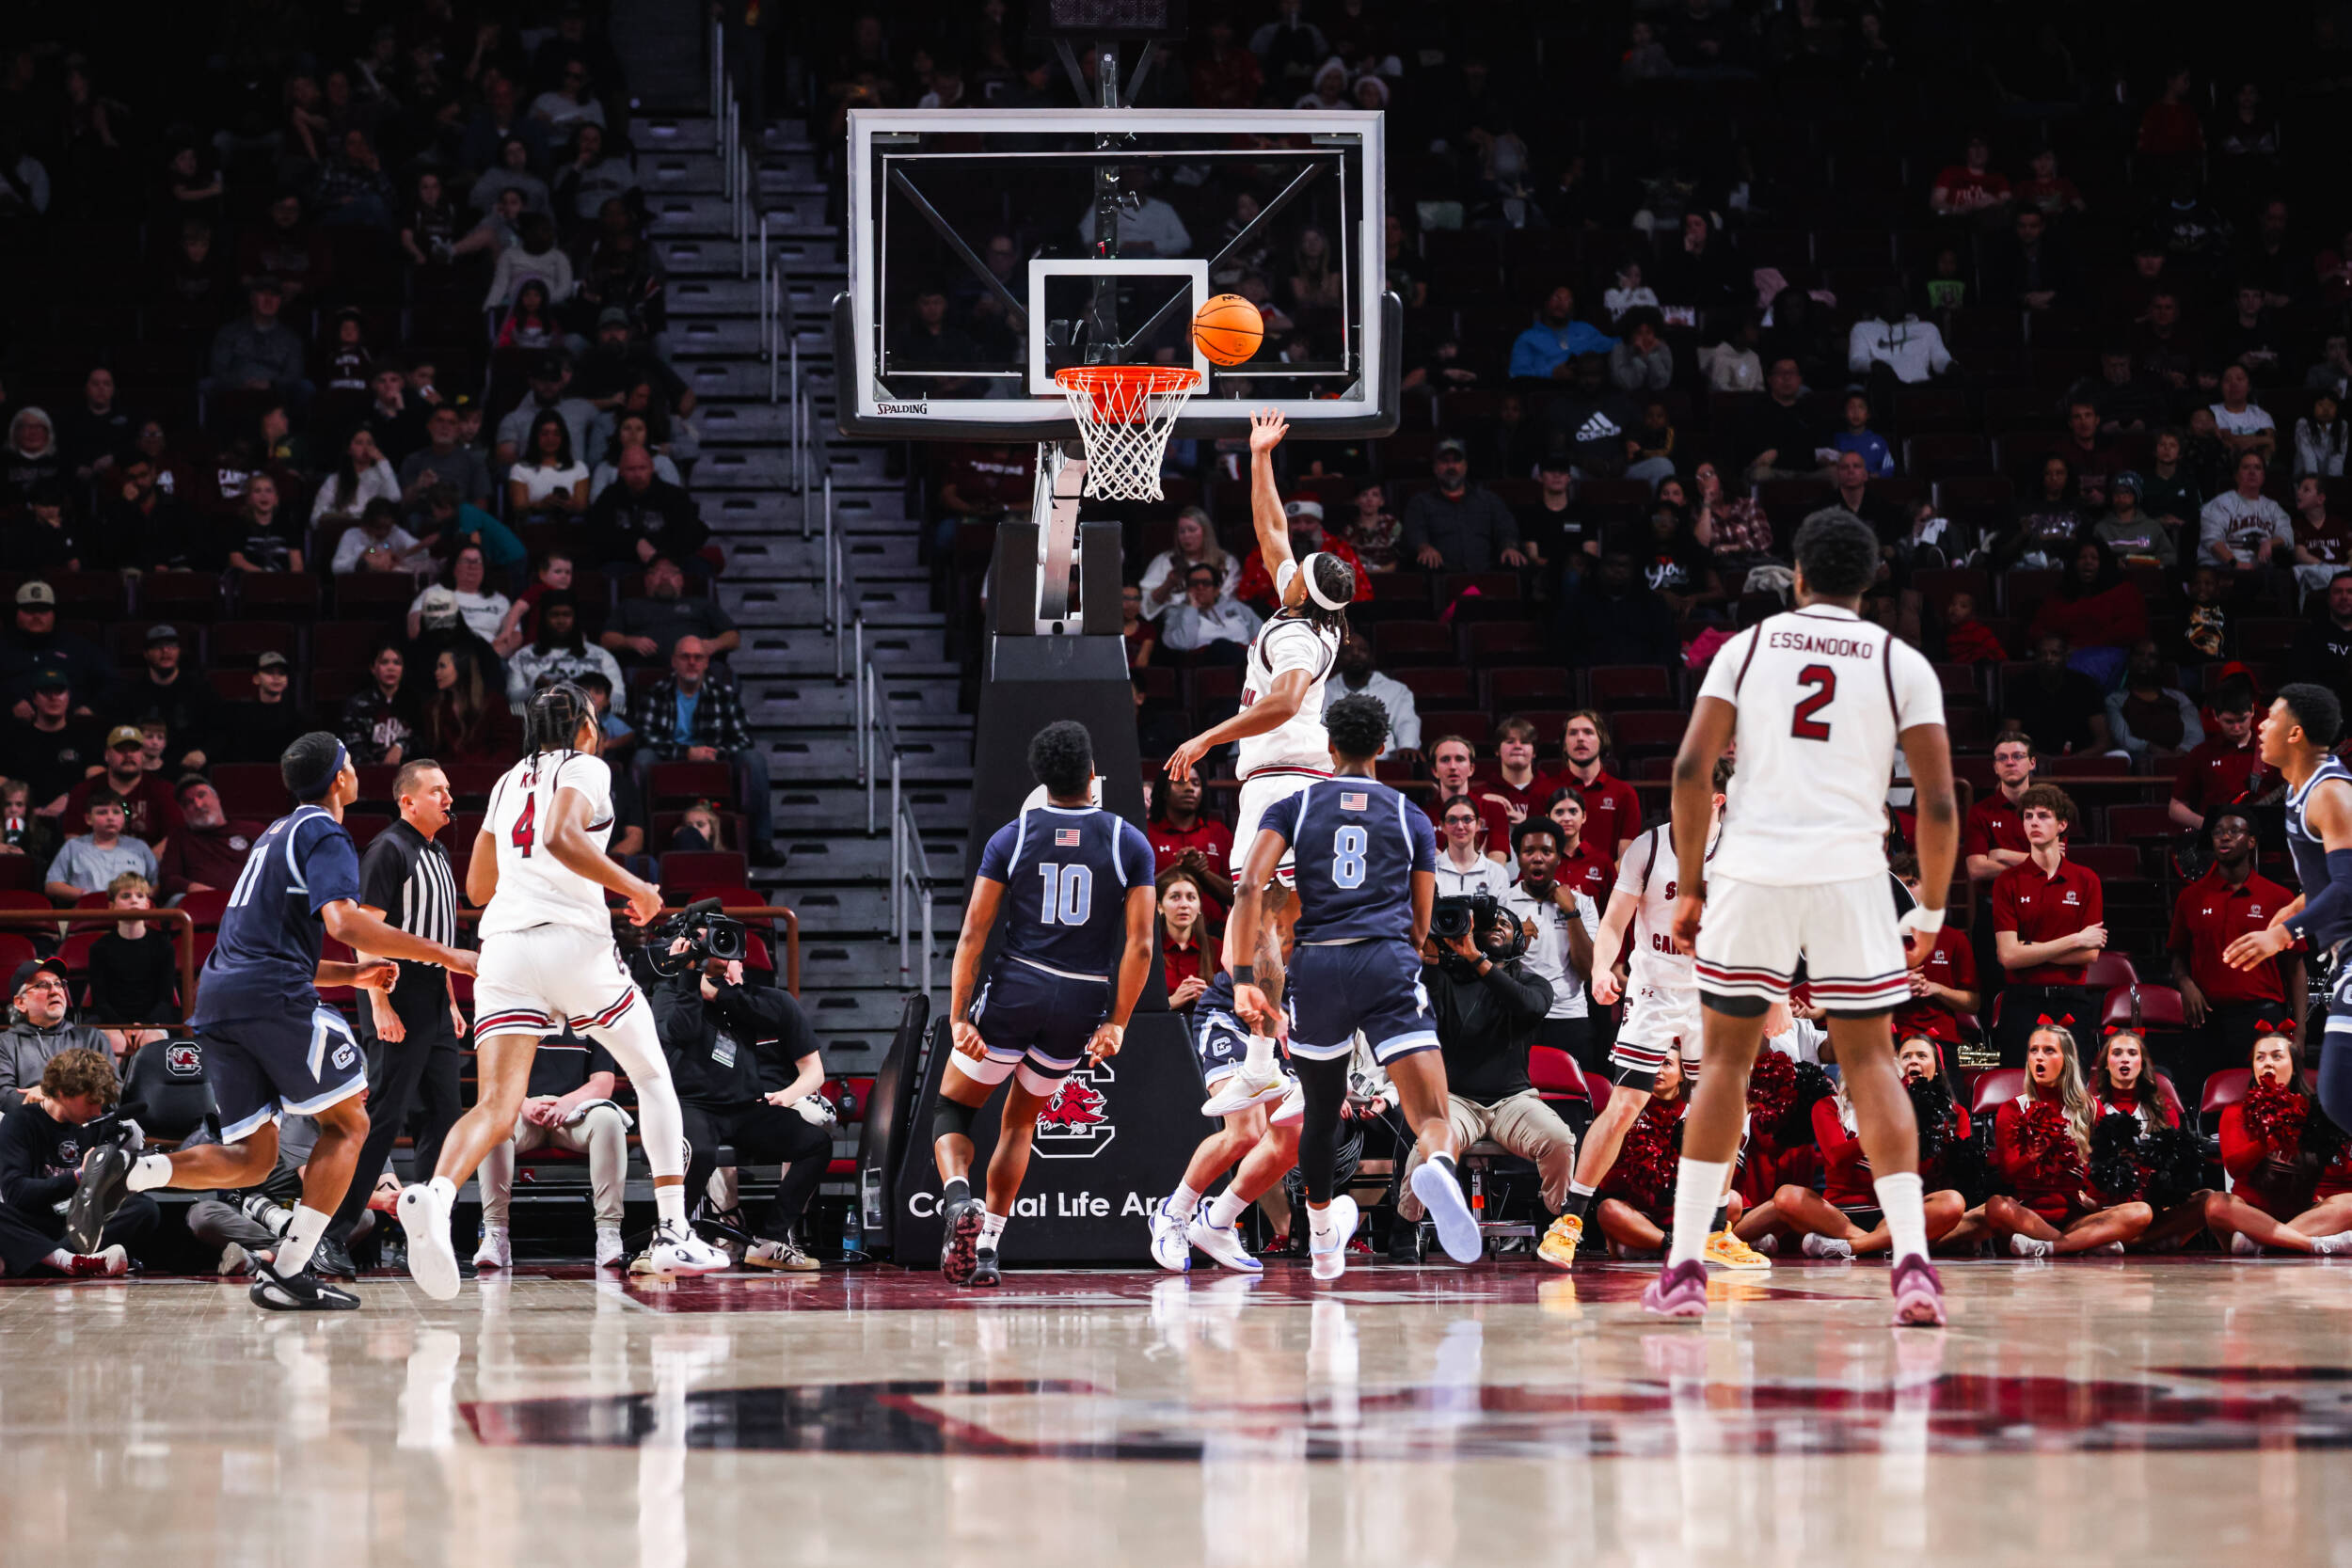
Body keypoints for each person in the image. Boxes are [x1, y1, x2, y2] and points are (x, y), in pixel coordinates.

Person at [1642, 511, 1958, 1326]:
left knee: (1723, 1066)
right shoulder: (1900, 660)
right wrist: (1928, 906)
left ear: (1798, 577)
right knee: (1873, 1064)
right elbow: (1937, 802)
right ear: (1870, 581)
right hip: (1851, 874)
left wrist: (1688, 885)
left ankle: (1685, 1265)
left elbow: (1690, 767)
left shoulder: (1746, 648)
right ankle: (1913, 1261)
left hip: (1753, 869)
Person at [64, 733, 476, 1310]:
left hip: (221, 997)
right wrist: (448, 955)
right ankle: (291, 1269)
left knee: (252, 1159)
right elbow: (346, 922)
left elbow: (273, 946)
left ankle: (129, 1170)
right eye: (350, 764)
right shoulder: (326, 831)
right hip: (270, 997)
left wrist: (353, 975)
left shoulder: (274, 834)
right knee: (350, 1125)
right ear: (340, 778)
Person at [395, 685, 727, 1297]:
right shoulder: (587, 766)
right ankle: (674, 1230)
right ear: (585, 727)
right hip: (570, 941)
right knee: (651, 1076)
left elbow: (477, 887)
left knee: (494, 1107)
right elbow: (559, 835)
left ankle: (436, 1198)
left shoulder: (506, 782)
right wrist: (637, 887)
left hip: (505, 948)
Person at [1225, 693, 1476, 1279]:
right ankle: (1438, 1165)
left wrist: (1243, 977)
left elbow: (1249, 887)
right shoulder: (1412, 816)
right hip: (1386, 959)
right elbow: (1421, 924)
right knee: (1431, 1112)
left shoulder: (1294, 805)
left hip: (1318, 964)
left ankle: (1320, 1238)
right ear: (1384, 746)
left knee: (1318, 1114)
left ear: (1329, 746)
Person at [934, 721, 1155, 1287]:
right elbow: (1140, 945)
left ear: (1040, 780)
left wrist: (959, 1017)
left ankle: (958, 1202)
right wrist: (1118, 1023)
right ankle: (988, 1247)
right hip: (1082, 995)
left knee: (953, 1107)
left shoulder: (1012, 836)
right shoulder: (1128, 840)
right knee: (1021, 1122)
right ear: (1092, 775)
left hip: (1019, 985)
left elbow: (973, 934)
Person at [1164, 409, 1356, 1010]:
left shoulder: (1297, 637)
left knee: (1267, 918)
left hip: (1281, 782)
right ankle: (1290, 1033)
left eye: (1298, 569)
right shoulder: (1310, 610)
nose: (1288, 564)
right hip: (1296, 778)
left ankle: (1269, 1044)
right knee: (1277, 921)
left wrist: (1208, 738)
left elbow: (1285, 702)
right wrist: (1261, 455)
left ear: (1302, 590)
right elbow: (1272, 530)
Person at [1558, 769, 1758, 1264]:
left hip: (1714, 992)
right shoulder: (1648, 848)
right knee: (1625, 1104)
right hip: (1655, 989)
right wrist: (1601, 968)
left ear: (1718, 800)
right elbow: (1613, 922)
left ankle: (1714, 1230)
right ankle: (1569, 1220)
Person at [310, 759, 469, 1275]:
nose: (448, 798)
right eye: (438, 790)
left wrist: (449, 1001)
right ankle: (330, 1234)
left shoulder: (438, 852)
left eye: (448, 790)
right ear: (408, 801)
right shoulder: (388, 849)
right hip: (394, 990)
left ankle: (429, 1235)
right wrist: (379, 1004)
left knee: (443, 1119)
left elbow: (440, 940)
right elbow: (362, 932)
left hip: (433, 996)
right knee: (382, 1117)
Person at [1395, 888, 1584, 1257]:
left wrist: (1476, 959)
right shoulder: (1447, 979)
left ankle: (1553, 1221)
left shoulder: (1532, 983)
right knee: (1426, 1147)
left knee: (1560, 1140)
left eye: (1505, 923)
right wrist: (1431, 963)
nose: (1497, 926)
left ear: (1519, 942)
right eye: (1489, 923)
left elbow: (1529, 1008)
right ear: (1472, 933)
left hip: (1514, 1101)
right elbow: (1422, 1015)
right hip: (1456, 1098)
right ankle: (1405, 1226)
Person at [653, 923, 831, 1273]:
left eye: (722, 949)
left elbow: (772, 1014)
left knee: (815, 1143)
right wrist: (689, 977)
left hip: (747, 1107)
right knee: (700, 1152)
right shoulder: (669, 993)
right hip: (695, 1105)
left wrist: (718, 992)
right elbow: (681, 1031)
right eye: (705, 947)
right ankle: (669, 1238)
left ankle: (771, 1239)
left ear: (741, 959)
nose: (716, 956)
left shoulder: (761, 1000)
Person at [2223, 685, 2352, 1135]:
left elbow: (2348, 886)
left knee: (2337, 1092)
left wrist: (2283, 933)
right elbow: (2328, 881)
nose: (2260, 726)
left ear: (2295, 734)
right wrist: (2294, 906)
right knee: (2338, 1096)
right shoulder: (2299, 790)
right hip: (2344, 954)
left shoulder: (2330, 792)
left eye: (2272, 718)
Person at [1147, 941, 1303, 1276]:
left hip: (1289, 1022)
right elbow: (1233, 955)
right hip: (1234, 1012)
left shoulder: (1349, 929)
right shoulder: (1269, 906)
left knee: (1292, 1139)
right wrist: (1268, 1005)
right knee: (1246, 1130)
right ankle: (1173, 1212)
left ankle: (1217, 1223)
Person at [1980, 1022, 2154, 1256]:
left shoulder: (2091, 1107)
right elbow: (2007, 1174)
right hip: (2029, 1216)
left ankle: (2052, 1247)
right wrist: (2031, 1157)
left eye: (2049, 1050)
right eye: (2033, 1050)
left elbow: (2101, 1172)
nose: (2039, 1057)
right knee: (1996, 1205)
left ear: (2067, 1059)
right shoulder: (2012, 1109)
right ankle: (2080, 1245)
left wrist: (2092, 1192)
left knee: (2141, 1212)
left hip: (2076, 1216)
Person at [626, 637, 775, 865]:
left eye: (698, 657)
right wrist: (686, 753)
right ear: (674, 661)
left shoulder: (723, 694)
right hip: (669, 759)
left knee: (753, 759)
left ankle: (760, 841)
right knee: (642, 758)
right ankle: (641, 837)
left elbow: (744, 739)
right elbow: (644, 737)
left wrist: (717, 753)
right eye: (685, 657)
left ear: (706, 663)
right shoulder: (657, 693)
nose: (692, 663)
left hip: (714, 759)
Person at [0, 1049, 149, 1277]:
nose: (97, 1111)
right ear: (63, 1092)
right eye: (91, 1102)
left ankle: (45, 1262)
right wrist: (79, 1176)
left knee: (143, 1207)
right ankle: (70, 1261)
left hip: (79, 1222)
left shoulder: (99, 1122)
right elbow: (16, 1193)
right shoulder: (20, 1121)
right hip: (34, 1223)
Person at [1991, 784, 2106, 1064]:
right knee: (2017, 1080)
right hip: (2022, 1000)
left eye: (2043, 816)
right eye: (2028, 816)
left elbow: (2089, 954)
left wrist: (2028, 949)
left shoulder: (2086, 880)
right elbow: (2008, 956)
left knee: (2072, 1082)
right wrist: (2075, 940)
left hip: (2071, 1000)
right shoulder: (2007, 881)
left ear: (2062, 824)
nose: (2033, 822)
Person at [1502, 817, 1601, 1111]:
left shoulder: (1582, 903)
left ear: (1559, 856)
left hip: (1570, 1018)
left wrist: (1571, 913)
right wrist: (1516, 942)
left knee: (1573, 1108)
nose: (1537, 858)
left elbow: (1588, 971)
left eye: (1546, 851)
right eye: (1528, 851)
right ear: (1518, 857)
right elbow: (1492, 971)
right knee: (1518, 1106)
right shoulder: (1503, 902)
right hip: (1518, 1018)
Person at [87, 872, 177, 1060]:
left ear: (147, 904)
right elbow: (100, 1001)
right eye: (126, 896)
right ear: (112, 906)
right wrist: (123, 1026)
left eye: (140, 895)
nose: (134, 900)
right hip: (111, 1022)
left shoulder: (163, 946)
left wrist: (145, 1025)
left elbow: (165, 999)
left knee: (151, 1042)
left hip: (153, 1021)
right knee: (115, 1042)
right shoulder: (99, 948)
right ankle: (111, 1081)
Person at [1402, 438, 1526, 573]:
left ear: (1465, 466)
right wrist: (1424, 548)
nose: (1451, 466)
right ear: (1435, 468)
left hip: (1486, 573)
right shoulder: (1421, 502)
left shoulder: (1488, 500)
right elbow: (1414, 532)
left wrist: (1509, 547)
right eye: (1445, 461)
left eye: (1456, 461)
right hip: (1440, 574)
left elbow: (1506, 529)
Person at [0, 958, 113, 1104]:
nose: (54, 991)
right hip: (31, 1116)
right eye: (42, 985)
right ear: (21, 1003)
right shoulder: (5, 1043)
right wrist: (41, 1103)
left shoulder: (92, 1038)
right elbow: (4, 1096)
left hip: (86, 1117)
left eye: (58, 984)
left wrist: (53, 1096)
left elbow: (112, 1093)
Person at [2169, 677, 2270, 832]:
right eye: (2229, 722)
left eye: (2242, 720)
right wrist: (2207, 825)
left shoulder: (2272, 752)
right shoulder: (2202, 753)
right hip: (2215, 842)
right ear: (2215, 715)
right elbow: (2175, 807)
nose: (2237, 728)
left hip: (2261, 839)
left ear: (2252, 710)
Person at [600, 555, 740, 666]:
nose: (665, 577)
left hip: (696, 668)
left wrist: (713, 645)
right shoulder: (630, 605)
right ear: (647, 580)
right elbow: (607, 639)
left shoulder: (701, 604)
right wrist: (630, 641)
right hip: (644, 670)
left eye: (672, 572)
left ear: (681, 580)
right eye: (658, 572)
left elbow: (733, 637)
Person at [1555, 711, 1643, 859]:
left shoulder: (1625, 793)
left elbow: (1626, 859)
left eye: (1588, 732)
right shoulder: (1542, 791)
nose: (1580, 738)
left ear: (1602, 741)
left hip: (1611, 874)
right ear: (1564, 744)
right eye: (1573, 733)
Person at [1320, 631, 1421, 757]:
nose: (1355, 654)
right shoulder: (1324, 690)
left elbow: (1406, 722)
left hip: (1384, 760)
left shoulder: (1396, 690)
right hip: (1336, 760)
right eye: (1348, 650)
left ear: (1371, 656)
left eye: (1362, 650)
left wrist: (1407, 746)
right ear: (1338, 657)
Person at [45, 791, 156, 905]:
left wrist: (138, 896)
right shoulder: (73, 846)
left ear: (124, 818)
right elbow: (52, 885)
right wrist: (86, 896)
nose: (110, 817)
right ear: (88, 819)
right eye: (102, 812)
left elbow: (157, 885)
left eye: (116, 812)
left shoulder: (139, 847)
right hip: (88, 909)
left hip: (132, 909)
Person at [2106, 641, 2202, 761]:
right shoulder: (2115, 700)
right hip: (2137, 761)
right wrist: (2150, 748)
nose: (2144, 660)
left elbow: (2196, 734)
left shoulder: (2180, 699)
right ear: (2129, 661)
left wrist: (2181, 751)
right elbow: (2122, 739)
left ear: (2160, 664)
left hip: (2180, 759)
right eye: (2139, 654)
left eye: (2152, 656)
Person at [2200, 451, 2293, 571]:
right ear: (2236, 476)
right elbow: (2212, 540)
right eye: (2246, 467)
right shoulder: (2221, 504)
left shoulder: (2273, 507)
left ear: (2263, 476)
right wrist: (2235, 563)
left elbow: (2287, 536)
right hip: (2225, 569)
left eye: (2257, 468)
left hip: (2262, 572)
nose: (2252, 472)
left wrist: (2270, 542)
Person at [1158, 562, 1263, 663]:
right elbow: (1184, 644)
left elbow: (1261, 638)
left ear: (1216, 590)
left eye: (1206, 583)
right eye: (1194, 584)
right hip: (1203, 666)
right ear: (1187, 589)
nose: (1200, 587)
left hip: (1245, 662)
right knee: (1220, 645)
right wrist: (1191, 608)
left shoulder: (1237, 607)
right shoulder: (1175, 613)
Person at [341, 640, 417, 768]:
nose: (391, 668)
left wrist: (401, 746)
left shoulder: (414, 703)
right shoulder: (356, 705)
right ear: (373, 668)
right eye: (384, 662)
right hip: (368, 773)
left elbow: (421, 744)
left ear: (403, 669)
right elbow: (354, 749)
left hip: (409, 774)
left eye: (397, 662)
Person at [1435, 796, 1511, 895]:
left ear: (1478, 824)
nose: (1460, 826)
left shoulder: (1497, 872)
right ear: (1443, 826)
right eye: (1452, 820)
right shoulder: (1431, 870)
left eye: (1467, 819)